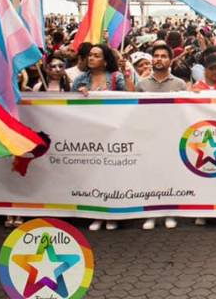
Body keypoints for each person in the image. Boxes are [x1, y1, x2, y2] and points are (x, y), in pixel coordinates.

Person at [71, 43, 129, 232]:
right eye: (90, 55)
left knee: (112, 173)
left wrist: (126, 76)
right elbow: (68, 104)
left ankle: (112, 214)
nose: (91, 58)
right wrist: (78, 96)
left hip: (113, 133)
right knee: (94, 174)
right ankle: (97, 214)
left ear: (105, 61)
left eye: (96, 55)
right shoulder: (80, 79)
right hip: (90, 134)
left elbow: (130, 98)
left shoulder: (115, 77)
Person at [136, 44, 186, 230]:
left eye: (163, 56)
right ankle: (151, 213)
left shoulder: (179, 84)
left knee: (170, 174)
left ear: (170, 60)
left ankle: (169, 211)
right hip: (148, 135)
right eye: (156, 56)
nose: (159, 59)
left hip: (172, 135)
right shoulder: (142, 84)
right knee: (150, 174)